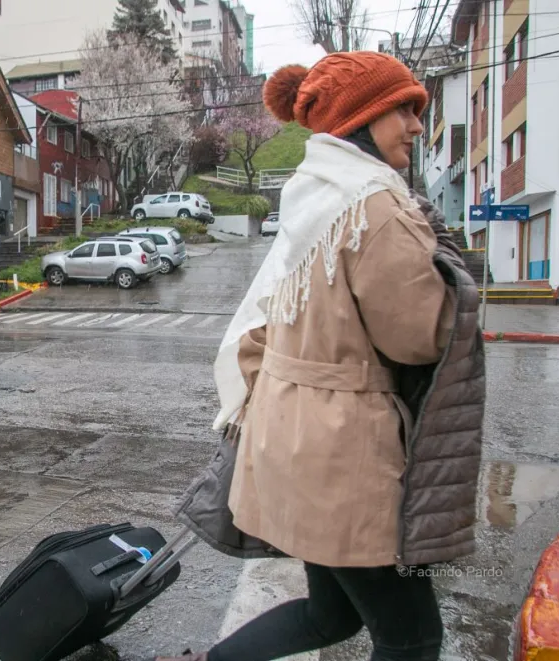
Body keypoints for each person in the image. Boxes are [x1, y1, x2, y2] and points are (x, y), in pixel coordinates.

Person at [157, 52, 485, 661]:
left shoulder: (314, 196)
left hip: (295, 444)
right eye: (405, 109)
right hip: (347, 459)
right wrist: (444, 254)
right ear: (364, 114)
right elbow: (420, 335)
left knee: (327, 615)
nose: (417, 125)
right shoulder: (376, 206)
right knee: (412, 637)